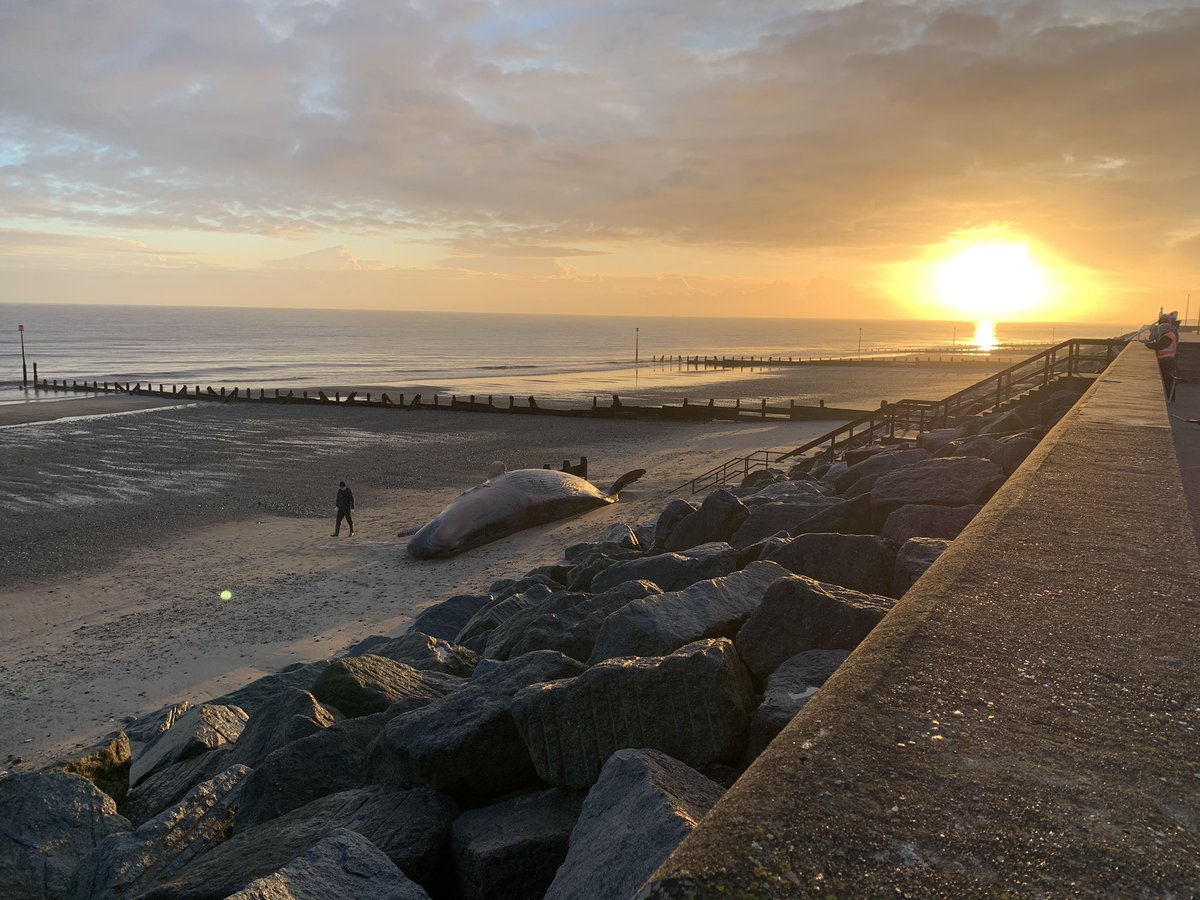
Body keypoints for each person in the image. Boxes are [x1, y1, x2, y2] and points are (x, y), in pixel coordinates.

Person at [1145, 312, 1179, 398]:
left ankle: (1168, 397)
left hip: (1166, 360)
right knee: (1168, 378)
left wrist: (1148, 345)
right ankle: (1170, 396)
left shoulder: (1167, 336)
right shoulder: (1171, 333)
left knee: (1167, 379)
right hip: (1170, 359)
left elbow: (1159, 345)